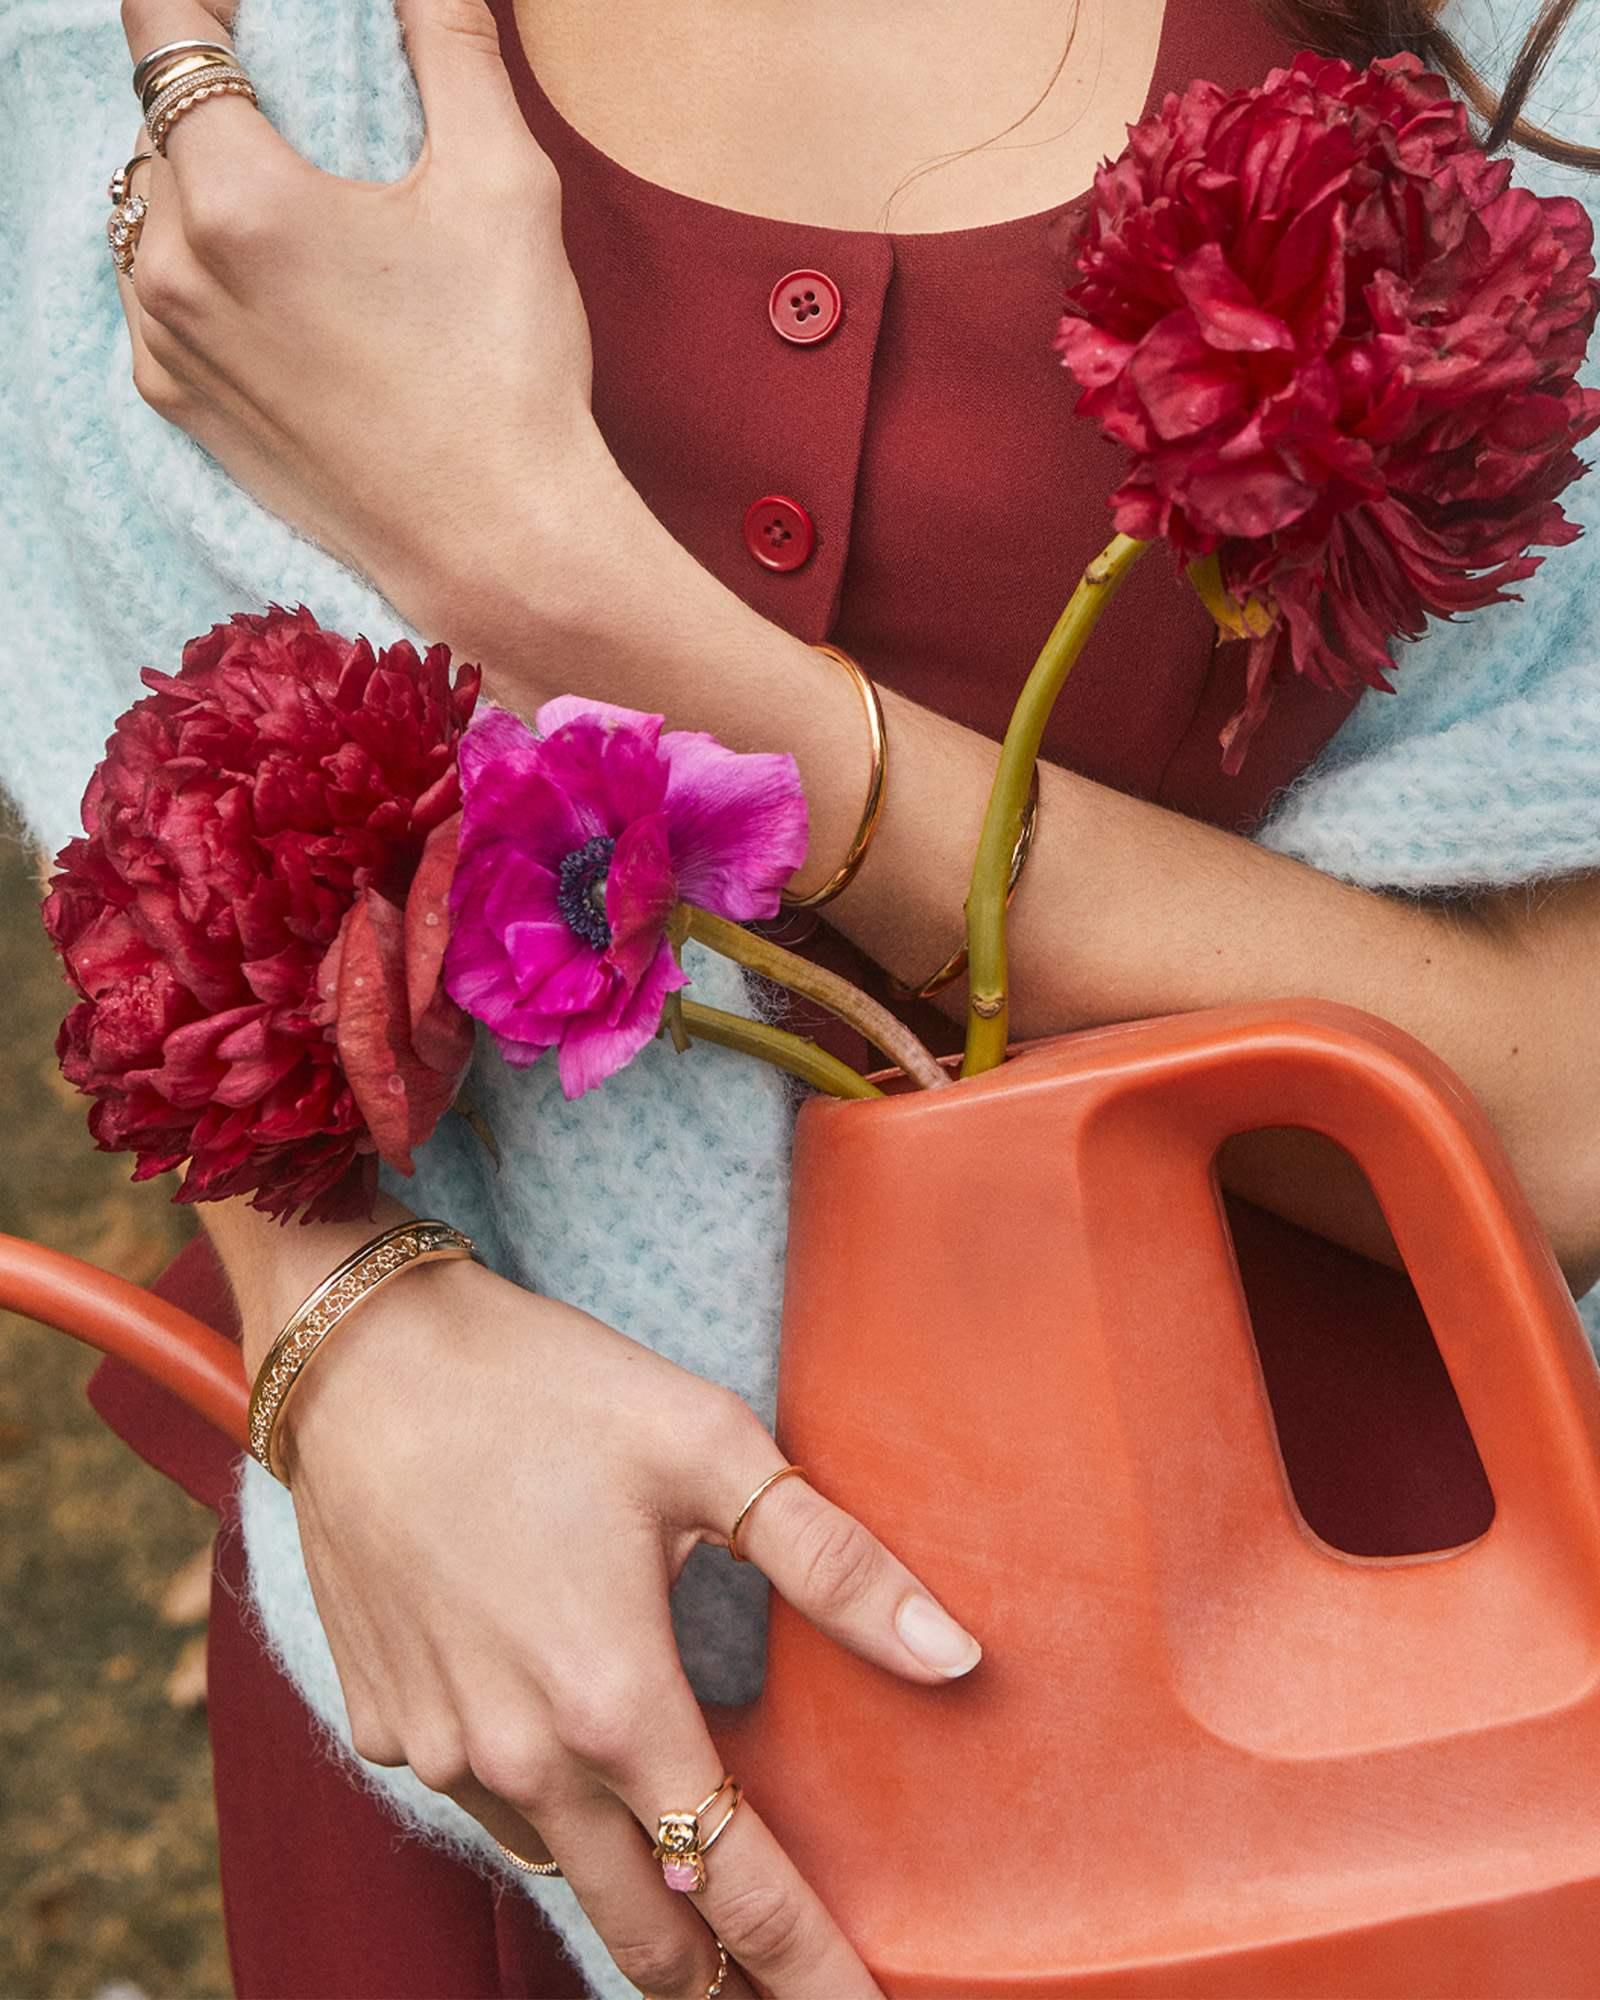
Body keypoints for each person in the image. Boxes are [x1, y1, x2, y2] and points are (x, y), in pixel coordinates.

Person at [14, 0, 1600, 1993]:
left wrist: (573, 598)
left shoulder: (1527, 55)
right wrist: (332, 1328)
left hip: (1346, 1671)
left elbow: (1567, 1110)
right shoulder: (189, 37)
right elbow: (160, 791)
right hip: (527, 1685)